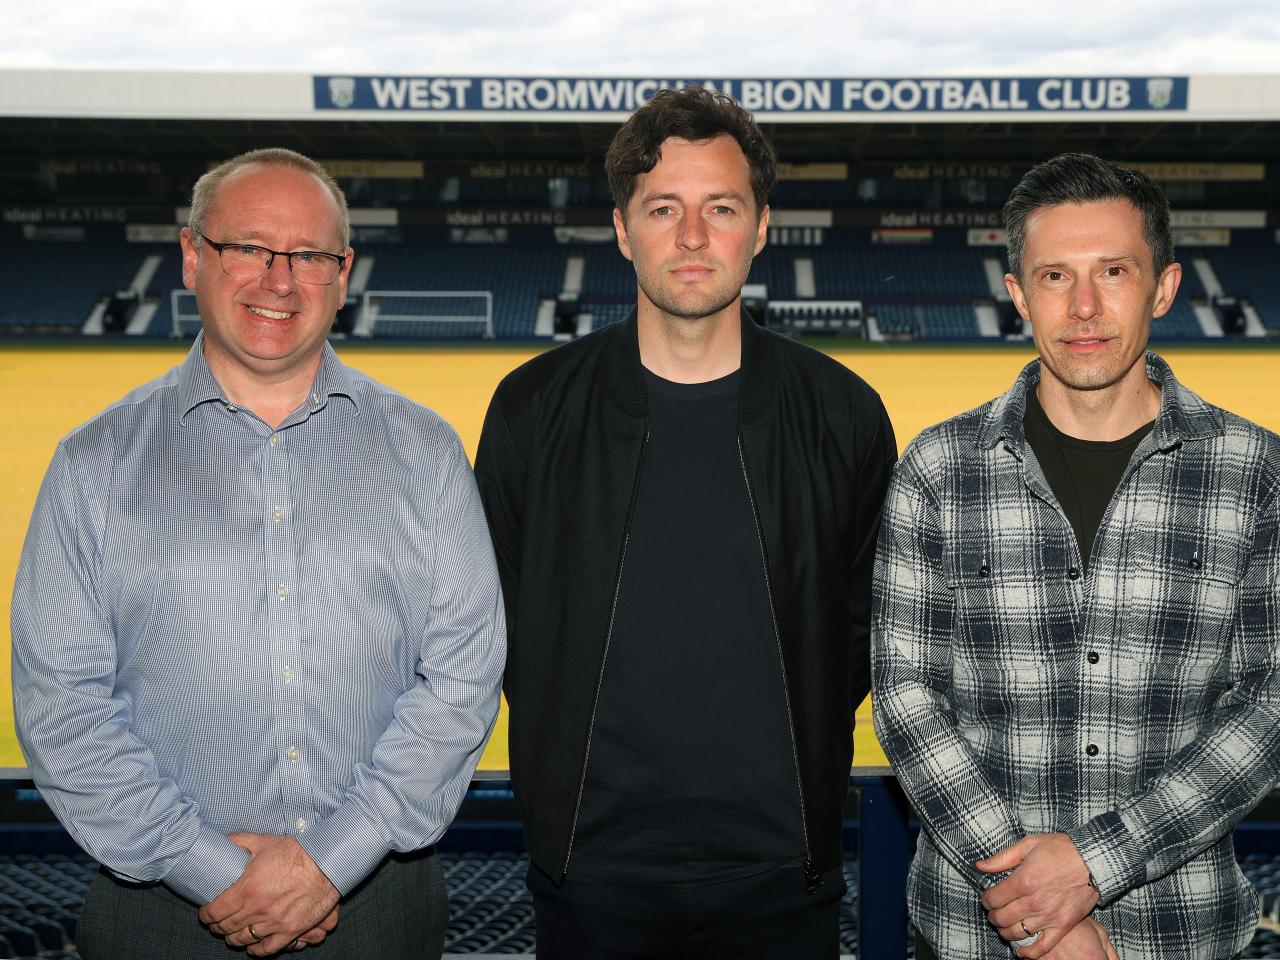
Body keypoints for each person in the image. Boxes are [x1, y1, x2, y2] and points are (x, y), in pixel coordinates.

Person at [12, 148, 506, 960]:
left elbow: (463, 673)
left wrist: (332, 858)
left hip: (379, 908)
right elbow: (61, 700)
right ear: (192, 256)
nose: (279, 281)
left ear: (342, 273)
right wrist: (209, 868)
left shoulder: (424, 451)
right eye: (248, 247)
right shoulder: (94, 463)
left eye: (308, 255)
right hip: (157, 914)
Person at [474, 86, 896, 959]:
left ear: (762, 226)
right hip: (591, 873)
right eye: (664, 208)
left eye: (721, 208)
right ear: (624, 230)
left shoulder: (843, 414)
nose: (693, 237)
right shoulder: (532, 410)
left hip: (784, 871)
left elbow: (871, 625)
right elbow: (492, 620)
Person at [872, 152, 1280, 960]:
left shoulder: (1255, 472)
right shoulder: (937, 468)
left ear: (1163, 287)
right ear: (1018, 294)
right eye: (1055, 276)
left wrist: (1093, 864)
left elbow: (1272, 705)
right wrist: (1034, 909)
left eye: (1114, 272)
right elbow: (907, 698)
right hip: (971, 935)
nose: (1085, 306)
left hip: (1181, 934)